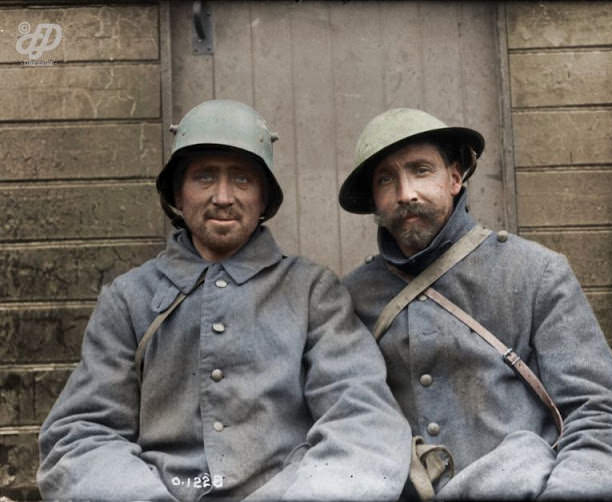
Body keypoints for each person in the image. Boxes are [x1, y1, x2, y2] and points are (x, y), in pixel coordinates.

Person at [37, 100, 412, 501]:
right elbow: (81, 434)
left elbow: (362, 422)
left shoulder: (311, 291)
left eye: (242, 180)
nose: (223, 197)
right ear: (177, 196)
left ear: (264, 200)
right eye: (204, 178)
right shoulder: (129, 299)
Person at [339, 107, 612, 500]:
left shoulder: (534, 272)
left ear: (455, 178)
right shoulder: (352, 297)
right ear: (375, 200)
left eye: (421, 171)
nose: (405, 193)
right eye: (386, 180)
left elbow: (600, 417)